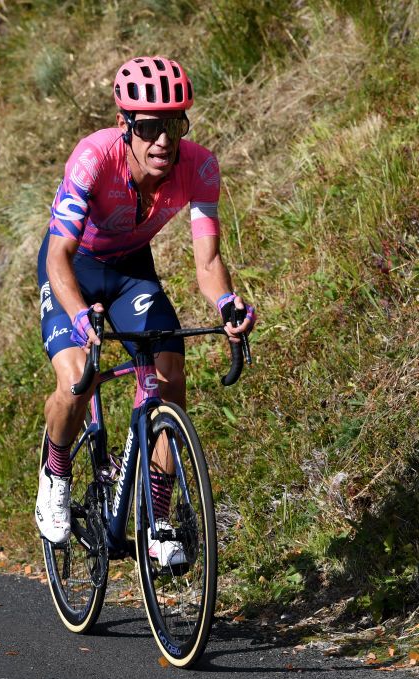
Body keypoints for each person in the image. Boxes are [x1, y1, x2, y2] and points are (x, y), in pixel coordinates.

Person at [35, 56, 256, 565]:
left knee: (168, 369)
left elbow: (208, 261)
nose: (163, 140)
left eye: (173, 124)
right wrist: (78, 314)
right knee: (76, 379)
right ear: (125, 125)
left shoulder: (200, 167)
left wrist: (226, 301)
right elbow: (57, 256)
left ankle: (157, 517)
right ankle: (56, 469)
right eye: (150, 127)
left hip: (131, 269)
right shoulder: (94, 158)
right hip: (75, 266)